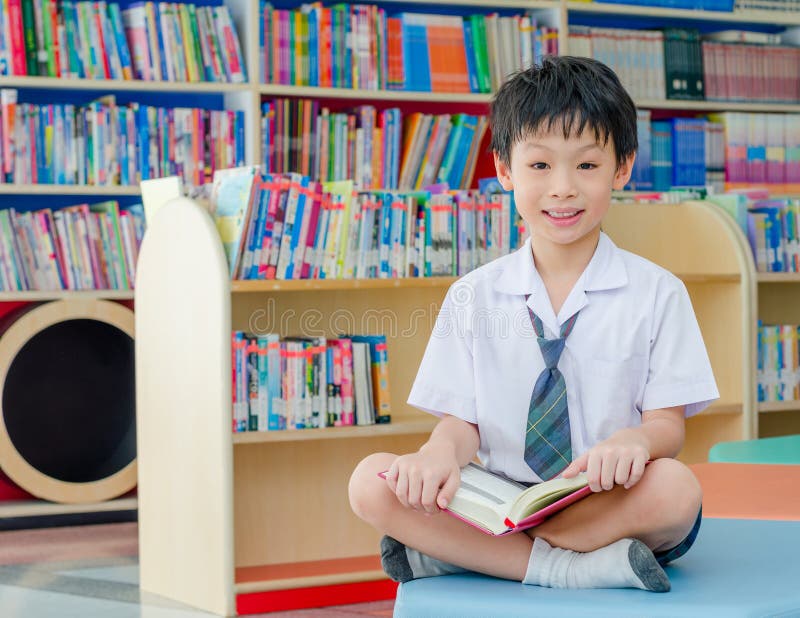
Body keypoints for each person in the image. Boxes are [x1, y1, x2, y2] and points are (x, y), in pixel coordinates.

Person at [348, 56, 718, 592]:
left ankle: (472, 556)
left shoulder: (658, 293)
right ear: (504, 170)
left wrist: (636, 442)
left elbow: (669, 426)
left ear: (622, 167)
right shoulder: (473, 295)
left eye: (586, 166)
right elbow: (460, 425)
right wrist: (435, 456)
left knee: (677, 491)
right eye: (540, 166)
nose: (563, 188)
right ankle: (566, 569)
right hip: (498, 496)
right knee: (371, 483)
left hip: (601, 500)